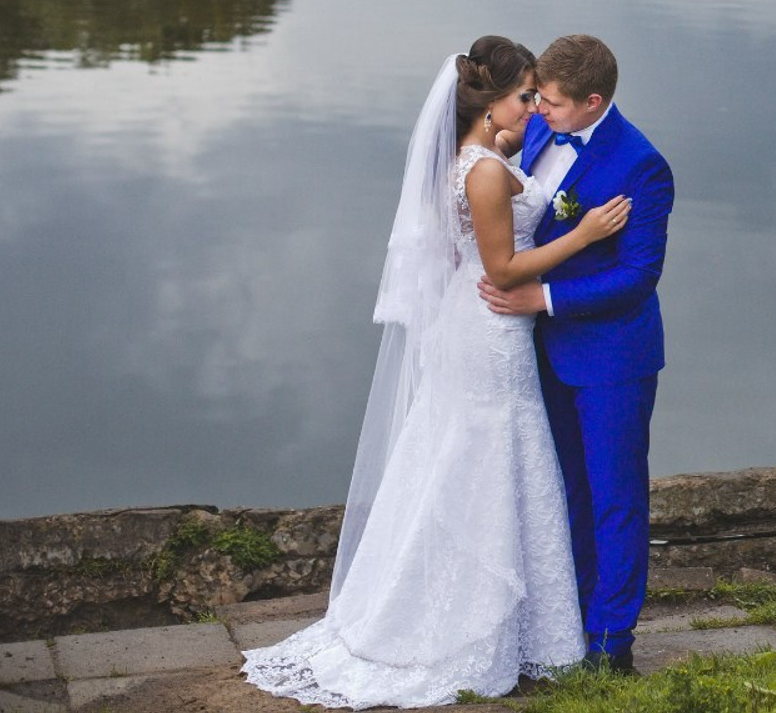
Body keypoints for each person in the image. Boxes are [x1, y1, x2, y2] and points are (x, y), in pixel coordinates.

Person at [242, 36, 632, 709]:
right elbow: (502, 268)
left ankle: (505, 622)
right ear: (490, 104)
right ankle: (463, 625)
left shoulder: (478, 158)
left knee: (476, 459)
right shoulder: (481, 172)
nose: (534, 107)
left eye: (538, 96)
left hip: (476, 321)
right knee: (483, 459)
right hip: (491, 326)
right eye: (524, 96)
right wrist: (584, 235)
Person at [481, 35, 674, 673]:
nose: (539, 111)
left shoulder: (642, 166)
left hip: (612, 357)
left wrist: (544, 298)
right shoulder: (537, 131)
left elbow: (639, 275)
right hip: (536, 354)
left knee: (615, 495)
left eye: (554, 104)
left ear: (593, 102)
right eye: (535, 98)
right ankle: (567, 622)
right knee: (561, 488)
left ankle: (611, 642)